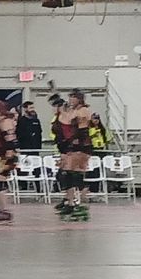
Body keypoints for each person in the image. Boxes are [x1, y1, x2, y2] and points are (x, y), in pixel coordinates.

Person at [53, 88, 93, 221]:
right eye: (69, 97)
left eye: (73, 97)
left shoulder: (83, 110)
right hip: (69, 146)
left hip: (81, 146)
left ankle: (82, 204)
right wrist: (61, 108)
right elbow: (63, 123)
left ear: (79, 99)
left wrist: (64, 110)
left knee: (76, 176)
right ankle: (70, 203)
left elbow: (78, 128)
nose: (70, 100)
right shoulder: (73, 110)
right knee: (66, 175)